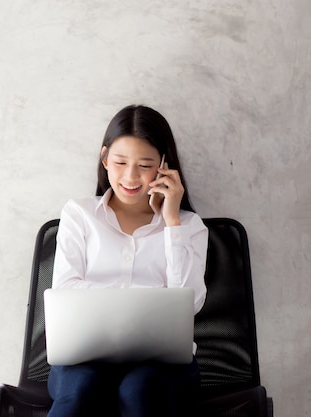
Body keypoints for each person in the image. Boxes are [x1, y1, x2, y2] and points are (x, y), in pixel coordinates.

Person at [47, 105, 208, 417]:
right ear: (105, 158)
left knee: (139, 392)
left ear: (164, 165)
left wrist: (171, 221)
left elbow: (191, 302)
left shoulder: (188, 226)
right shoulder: (79, 215)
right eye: (120, 162)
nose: (131, 177)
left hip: (161, 366)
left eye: (145, 165)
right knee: (80, 392)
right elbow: (64, 289)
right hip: (83, 358)